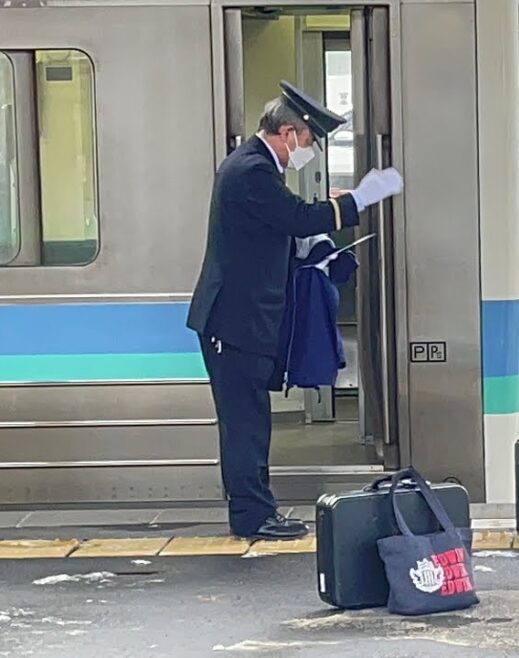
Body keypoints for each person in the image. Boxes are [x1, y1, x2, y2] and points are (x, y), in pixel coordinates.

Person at [187, 81, 403, 539]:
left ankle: (256, 510)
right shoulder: (253, 170)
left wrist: (319, 234)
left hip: (239, 319)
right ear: (288, 133)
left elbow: (282, 224)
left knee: (250, 419)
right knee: (245, 424)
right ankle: (252, 517)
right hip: (233, 322)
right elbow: (297, 218)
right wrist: (357, 200)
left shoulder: (253, 165)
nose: (308, 151)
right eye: (307, 141)